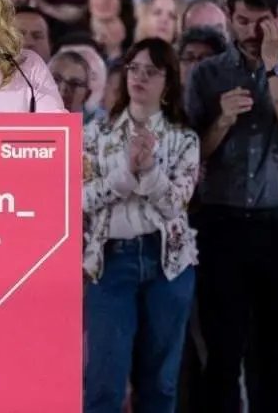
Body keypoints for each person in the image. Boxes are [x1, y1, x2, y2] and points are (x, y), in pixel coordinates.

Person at [186, 0, 278, 413]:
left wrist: (272, 62)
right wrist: (221, 121)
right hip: (221, 223)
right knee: (223, 353)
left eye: (261, 21)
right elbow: (191, 157)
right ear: (228, 17)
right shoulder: (207, 73)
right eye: (242, 21)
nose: (251, 32)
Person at [82, 38, 200, 413]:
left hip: (168, 262)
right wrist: (124, 175)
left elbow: (175, 204)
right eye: (134, 68)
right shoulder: (95, 135)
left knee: (161, 385)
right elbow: (80, 199)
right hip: (111, 259)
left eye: (151, 71)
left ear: (168, 82)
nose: (140, 77)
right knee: (104, 384)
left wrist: (148, 170)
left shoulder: (184, 139)